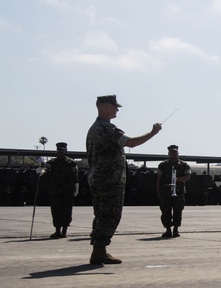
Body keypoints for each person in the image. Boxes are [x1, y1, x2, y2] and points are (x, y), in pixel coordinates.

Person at [85, 94, 161, 264]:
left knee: (101, 214)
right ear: (106, 107)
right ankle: (99, 251)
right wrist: (153, 133)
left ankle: (99, 249)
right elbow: (131, 143)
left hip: (98, 178)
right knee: (110, 214)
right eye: (115, 106)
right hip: (109, 179)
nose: (117, 109)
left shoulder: (94, 128)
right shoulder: (106, 128)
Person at [155, 144, 192, 238]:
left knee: (178, 211)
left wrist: (178, 179)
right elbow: (158, 178)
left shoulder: (184, 165)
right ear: (169, 153)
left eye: (175, 152)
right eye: (172, 152)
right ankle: (168, 229)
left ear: (178, 153)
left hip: (178, 191)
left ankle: (176, 229)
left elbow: (188, 176)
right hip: (165, 191)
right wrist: (158, 191)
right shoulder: (163, 165)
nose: (174, 154)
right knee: (165, 211)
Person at [44, 142, 78, 238]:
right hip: (55, 190)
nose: (60, 152)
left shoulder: (71, 163)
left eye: (62, 151)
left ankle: (64, 231)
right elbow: (46, 170)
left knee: (67, 210)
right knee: (56, 210)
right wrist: (41, 171)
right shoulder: (52, 162)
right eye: (59, 151)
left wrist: (76, 189)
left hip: (67, 190)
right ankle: (57, 230)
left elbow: (75, 177)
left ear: (66, 151)